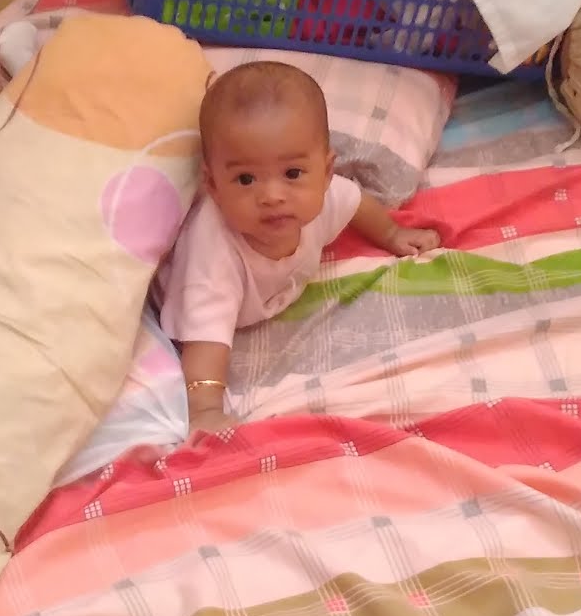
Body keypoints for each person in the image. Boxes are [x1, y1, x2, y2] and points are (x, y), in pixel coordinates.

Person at [159, 60, 441, 437]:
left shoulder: (325, 197)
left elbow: (356, 202)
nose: (272, 196)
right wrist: (206, 409)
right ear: (213, 185)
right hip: (184, 300)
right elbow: (204, 340)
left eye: (292, 173)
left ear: (326, 173)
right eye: (245, 179)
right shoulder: (213, 254)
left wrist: (392, 233)